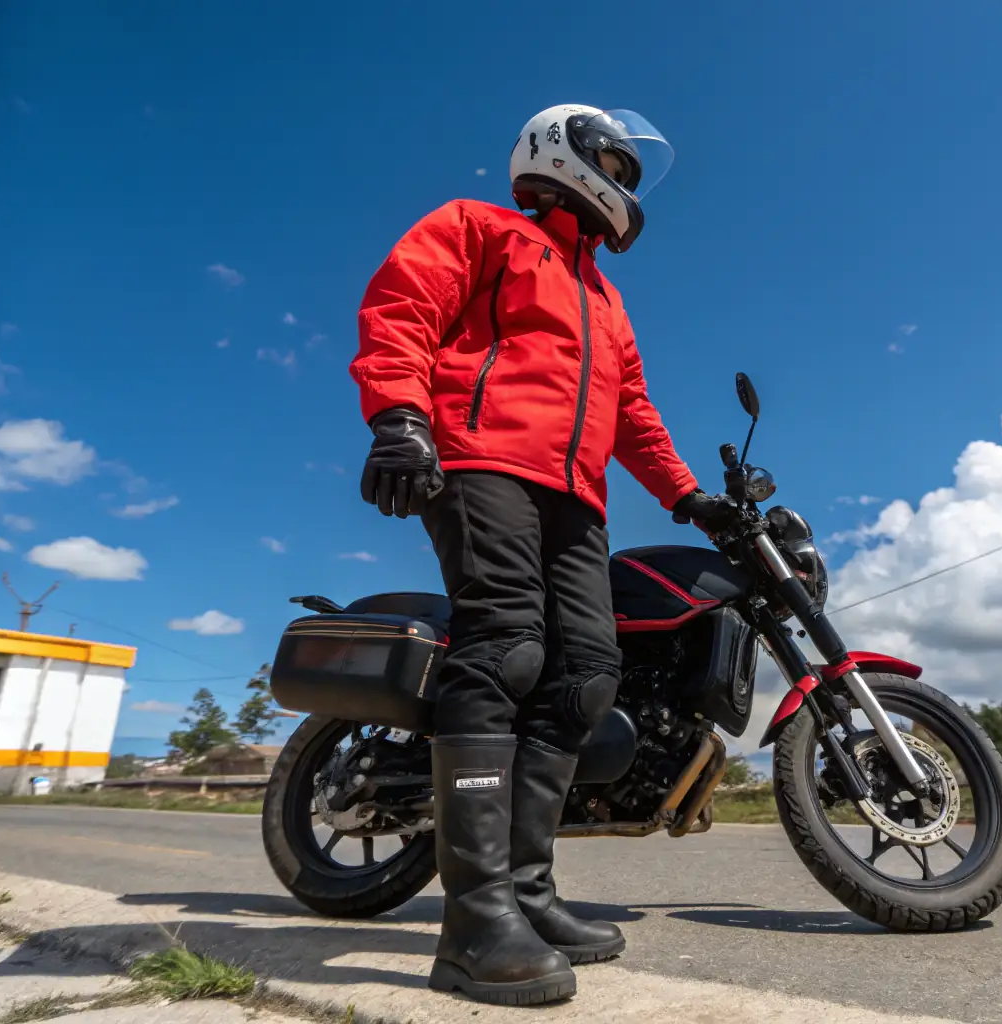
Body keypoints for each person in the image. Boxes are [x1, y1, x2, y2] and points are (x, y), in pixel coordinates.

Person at [350, 104, 725, 1006]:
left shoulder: (603, 296)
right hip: (479, 462)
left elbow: (631, 411)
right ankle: (474, 924)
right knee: (506, 647)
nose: (626, 182)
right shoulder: (478, 228)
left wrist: (686, 495)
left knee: (587, 674)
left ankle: (527, 892)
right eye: (615, 163)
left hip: (575, 496)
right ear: (562, 148)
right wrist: (399, 416)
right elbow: (404, 308)